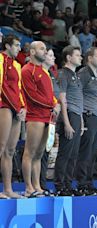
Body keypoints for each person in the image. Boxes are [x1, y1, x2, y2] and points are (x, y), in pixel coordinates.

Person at [21, 41, 59, 197]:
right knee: (30, 153)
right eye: (42, 49)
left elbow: (49, 95)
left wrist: (55, 104)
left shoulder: (44, 72)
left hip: (47, 116)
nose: (45, 51)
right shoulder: (26, 70)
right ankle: (28, 187)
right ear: (32, 51)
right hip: (35, 116)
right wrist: (52, 105)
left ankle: (37, 186)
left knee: (39, 154)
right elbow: (32, 95)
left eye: (45, 49)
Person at [75, 47, 97, 195]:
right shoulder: (83, 73)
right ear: (89, 58)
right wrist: (80, 116)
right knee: (86, 152)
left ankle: (89, 182)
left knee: (93, 152)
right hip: (88, 116)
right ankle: (82, 183)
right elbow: (76, 93)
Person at [53, 46, 84, 196]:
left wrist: (81, 121)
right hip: (69, 115)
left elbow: (79, 100)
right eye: (77, 55)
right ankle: (60, 185)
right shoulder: (63, 74)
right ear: (68, 58)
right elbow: (62, 99)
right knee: (65, 152)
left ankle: (68, 184)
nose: (81, 58)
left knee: (74, 153)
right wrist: (66, 122)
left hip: (77, 116)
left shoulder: (76, 75)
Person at [0, 34, 25, 199]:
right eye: (16, 45)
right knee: (0, 147)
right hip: (3, 105)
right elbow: (1, 86)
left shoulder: (17, 65)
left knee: (10, 150)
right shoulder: (0, 60)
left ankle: (8, 189)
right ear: (7, 46)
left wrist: (22, 107)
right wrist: (16, 107)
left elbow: (19, 88)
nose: (19, 48)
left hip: (16, 108)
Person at [39, 48, 60, 191]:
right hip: (39, 117)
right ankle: (37, 184)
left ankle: (42, 184)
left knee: (46, 150)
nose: (53, 58)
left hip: (52, 118)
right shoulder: (38, 73)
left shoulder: (51, 74)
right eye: (50, 55)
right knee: (38, 152)